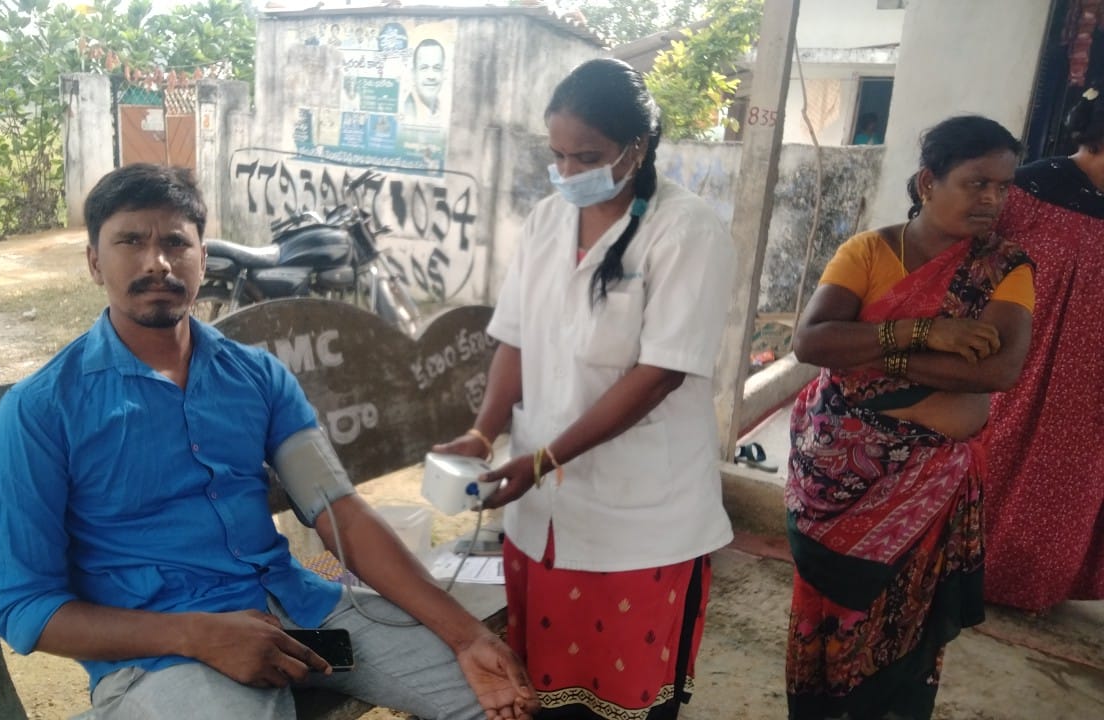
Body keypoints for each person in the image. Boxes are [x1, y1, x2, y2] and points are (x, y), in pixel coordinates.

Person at [0, 164, 538, 720]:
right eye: (130, 241)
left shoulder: (256, 376)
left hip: (303, 619)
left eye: (176, 242)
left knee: (494, 701)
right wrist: (195, 635)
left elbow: (338, 513)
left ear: (203, 258)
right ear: (94, 261)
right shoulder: (42, 411)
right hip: (167, 660)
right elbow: (27, 607)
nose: (157, 263)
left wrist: (467, 636)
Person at [433, 58, 735, 719]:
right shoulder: (547, 220)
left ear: (638, 146)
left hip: (639, 519)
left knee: (624, 700)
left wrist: (545, 459)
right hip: (541, 513)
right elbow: (515, 339)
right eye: (558, 156)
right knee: (543, 692)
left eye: (588, 157)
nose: (569, 172)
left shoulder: (687, 231)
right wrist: (484, 431)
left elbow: (659, 375)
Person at [786, 115, 1034, 720]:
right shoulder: (869, 251)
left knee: (907, 637)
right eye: (977, 183)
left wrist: (874, 352)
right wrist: (926, 333)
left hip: (928, 490)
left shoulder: (1006, 266)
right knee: (829, 623)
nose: (992, 200)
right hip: (838, 480)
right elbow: (813, 342)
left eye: (1002, 187)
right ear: (928, 182)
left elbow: (998, 370)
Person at [984, 87, 1104, 612]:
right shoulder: (1030, 188)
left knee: (1068, 481)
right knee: (994, 455)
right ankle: (966, 572)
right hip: (1018, 364)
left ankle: (1033, 586)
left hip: (1089, 384)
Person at [403, 39, 445, 122]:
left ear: (444, 73)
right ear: (413, 74)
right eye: (424, 68)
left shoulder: (443, 111)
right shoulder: (406, 114)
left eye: (437, 68)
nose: (431, 76)